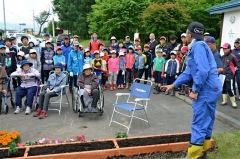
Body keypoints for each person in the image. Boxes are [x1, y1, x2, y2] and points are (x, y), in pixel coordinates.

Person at [161, 22, 222, 159]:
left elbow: (203, 71)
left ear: (189, 34)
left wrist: (195, 90)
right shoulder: (199, 46)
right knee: (207, 119)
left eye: (186, 33)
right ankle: (203, 151)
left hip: (206, 89)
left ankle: (194, 155)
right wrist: (173, 84)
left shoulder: (198, 47)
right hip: (213, 88)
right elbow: (189, 71)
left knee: (199, 121)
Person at [221, 43, 237, 108]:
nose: (224, 50)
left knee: (230, 89)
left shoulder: (233, 57)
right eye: (223, 49)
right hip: (223, 76)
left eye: (225, 49)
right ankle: (225, 101)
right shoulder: (222, 57)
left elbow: (236, 65)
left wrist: (232, 73)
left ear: (229, 49)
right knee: (223, 88)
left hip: (229, 76)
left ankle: (233, 102)